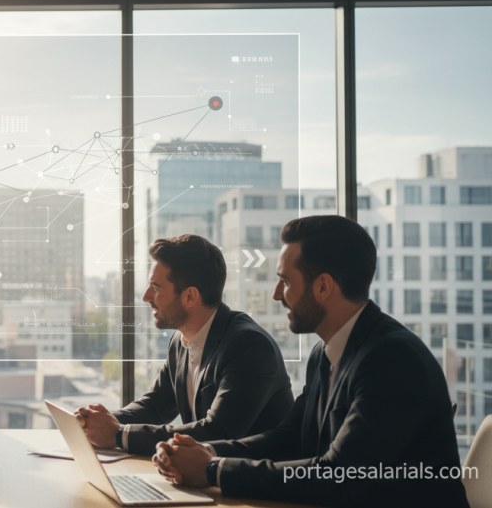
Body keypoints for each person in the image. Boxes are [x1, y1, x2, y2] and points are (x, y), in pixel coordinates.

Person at [152, 216, 469, 507]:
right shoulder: (325, 352)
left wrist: (212, 470)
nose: (277, 294)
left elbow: (340, 477)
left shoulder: (393, 359)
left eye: (285, 281)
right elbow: (289, 437)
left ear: (323, 286)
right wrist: (209, 451)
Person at [76, 234, 293, 456]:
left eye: (156, 288)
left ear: (190, 296)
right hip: (202, 479)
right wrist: (97, 423)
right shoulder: (181, 341)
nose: (146, 297)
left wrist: (118, 435)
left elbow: (217, 431)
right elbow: (154, 406)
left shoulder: (249, 346)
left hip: (251, 484)